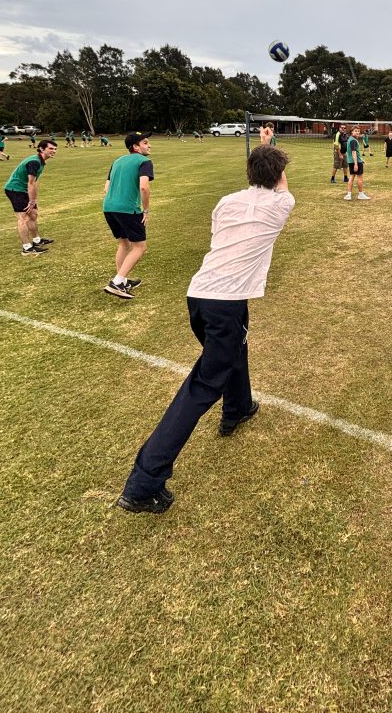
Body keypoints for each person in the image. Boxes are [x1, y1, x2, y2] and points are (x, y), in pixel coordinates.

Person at [116, 145, 295, 513]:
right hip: (224, 304)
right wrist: (274, 162)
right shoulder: (282, 203)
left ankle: (238, 408)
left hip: (199, 296)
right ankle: (143, 482)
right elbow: (281, 188)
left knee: (234, 349)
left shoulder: (226, 201)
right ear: (278, 175)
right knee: (203, 384)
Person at [102, 131, 154, 299]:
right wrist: (145, 210)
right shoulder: (144, 161)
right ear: (135, 147)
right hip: (128, 209)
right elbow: (144, 187)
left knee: (124, 244)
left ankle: (122, 280)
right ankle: (117, 282)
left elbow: (106, 188)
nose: (149, 145)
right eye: (145, 142)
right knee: (140, 247)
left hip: (109, 207)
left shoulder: (117, 161)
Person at [3, 139, 57, 255]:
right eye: (51, 148)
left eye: (55, 149)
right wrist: (32, 200)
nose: (54, 151)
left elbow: (33, 183)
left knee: (33, 214)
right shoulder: (35, 162)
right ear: (42, 149)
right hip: (15, 190)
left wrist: (33, 200)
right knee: (23, 218)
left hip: (23, 190)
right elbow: (31, 183)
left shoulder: (40, 160)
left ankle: (37, 240)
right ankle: (27, 248)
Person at [345, 127, 370, 200]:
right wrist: (356, 164)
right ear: (351, 132)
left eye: (358, 131)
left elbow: (351, 152)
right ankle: (361, 194)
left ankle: (348, 195)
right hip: (356, 162)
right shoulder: (353, 141)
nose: (357, 132)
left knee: (351, 177)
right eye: (355, 131)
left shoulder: (350, 139)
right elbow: (353, 152)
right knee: (360, 178)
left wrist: (361, 159)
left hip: (351, 161)